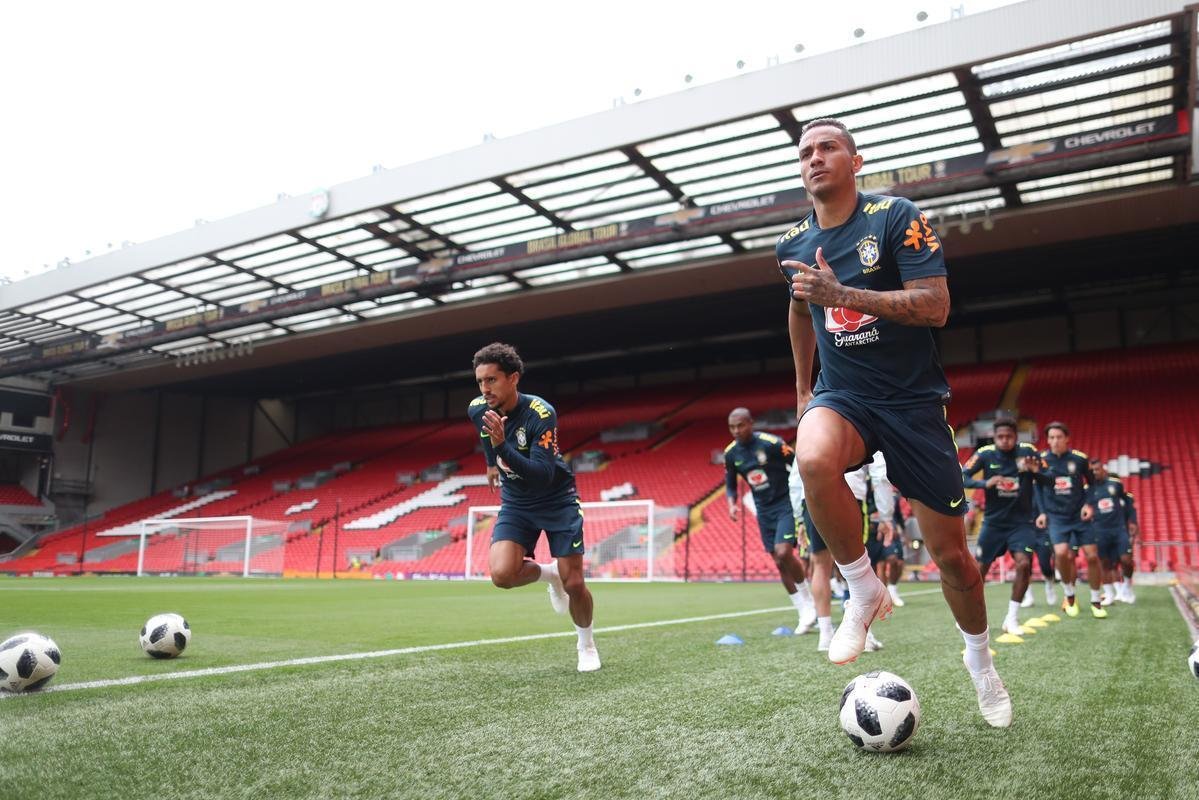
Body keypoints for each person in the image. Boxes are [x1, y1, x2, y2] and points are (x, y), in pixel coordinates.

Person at [778, 117, 1011, 727]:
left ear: (855, 161)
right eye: (806, 152)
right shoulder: (792, 245)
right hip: (844, 395)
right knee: (812, 457)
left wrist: (847, 296)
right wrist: (805, 391)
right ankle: (863, 589)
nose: (815, 158)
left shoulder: (897, 215)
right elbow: (801, 312)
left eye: (828, 147)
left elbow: (936, 306)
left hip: (912, 403)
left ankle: (980, 662)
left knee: (952, 557)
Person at [468, 342, 599, 672]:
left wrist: (502, 447)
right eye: (480, 381)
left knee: (575, 584)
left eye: (492, 380)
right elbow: (486, 435)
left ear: (513, 378)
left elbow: (542, 475)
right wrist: (490, 461)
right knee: (502, 575)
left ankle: (586, 644)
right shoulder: (478, 408)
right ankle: (549, 573)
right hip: (516, 502)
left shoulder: (541, 414)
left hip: (556, 500)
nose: (485, 389)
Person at [725, 408, 817, 632]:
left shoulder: (771, 443)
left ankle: (810, 603)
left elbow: (798, 463)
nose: (736, 431)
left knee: (785, 552)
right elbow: (730, 482)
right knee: (778, 561)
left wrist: (805, 494)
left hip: (785, 503)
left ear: (751, 423)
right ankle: (803, 610)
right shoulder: (731, 454)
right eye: (732, 427)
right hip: (763, 510)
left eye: (741, 425)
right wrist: (731, 503)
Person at [791, 452, 893, 653]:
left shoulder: (809, 421)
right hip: (850, 492)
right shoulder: (865, 420)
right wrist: (886, 515)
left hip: (810, 495)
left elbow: (795, 477)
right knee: (857, 563)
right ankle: (863, 636)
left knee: (819, 564)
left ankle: (825, 635)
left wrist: (799, 518)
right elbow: (880, 473)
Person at [962, 418, 1042, 635]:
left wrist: (1036, 472)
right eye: (1000, 437)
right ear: (994, 437)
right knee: (980, 571)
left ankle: (1012, 618)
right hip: (993, 523)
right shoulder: (985, 454)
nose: (1005, 440)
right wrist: (983, 483)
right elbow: (962, 477)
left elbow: (1050, 480)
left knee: (1024, 564)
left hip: (1022, 523)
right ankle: (969, 617)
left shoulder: (1028, 452)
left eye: (1009, 436)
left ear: (1016, 437)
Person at [1034, 422, 1101, 618]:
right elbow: (1038, 487)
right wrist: (1042, 512)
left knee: (1091, 556)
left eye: (1058, 437)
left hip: (1079, 514)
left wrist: (1089, 504)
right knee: (1062, 554)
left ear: (1066, 438)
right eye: (1051, 437)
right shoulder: (1043, 460)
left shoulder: (1079, 459)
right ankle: (1069, 595)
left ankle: (1096, 600)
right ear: (1048, 440)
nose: (1055, 441)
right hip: (1056, 516)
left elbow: (1093, 483)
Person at [1084, 458, 1139, 606]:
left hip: (1119, 529)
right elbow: (1084, 509)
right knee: (1104, 563)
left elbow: (1128, 502)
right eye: (1092, 470)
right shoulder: (1087, 490)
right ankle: (1109, 594)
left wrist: (1133, 521)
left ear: (1104, 469)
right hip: (1099, 531)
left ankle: (1127, 587)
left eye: (1097, 469)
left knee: (1126, 560)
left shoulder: (1115, 484)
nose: (1095, 472)